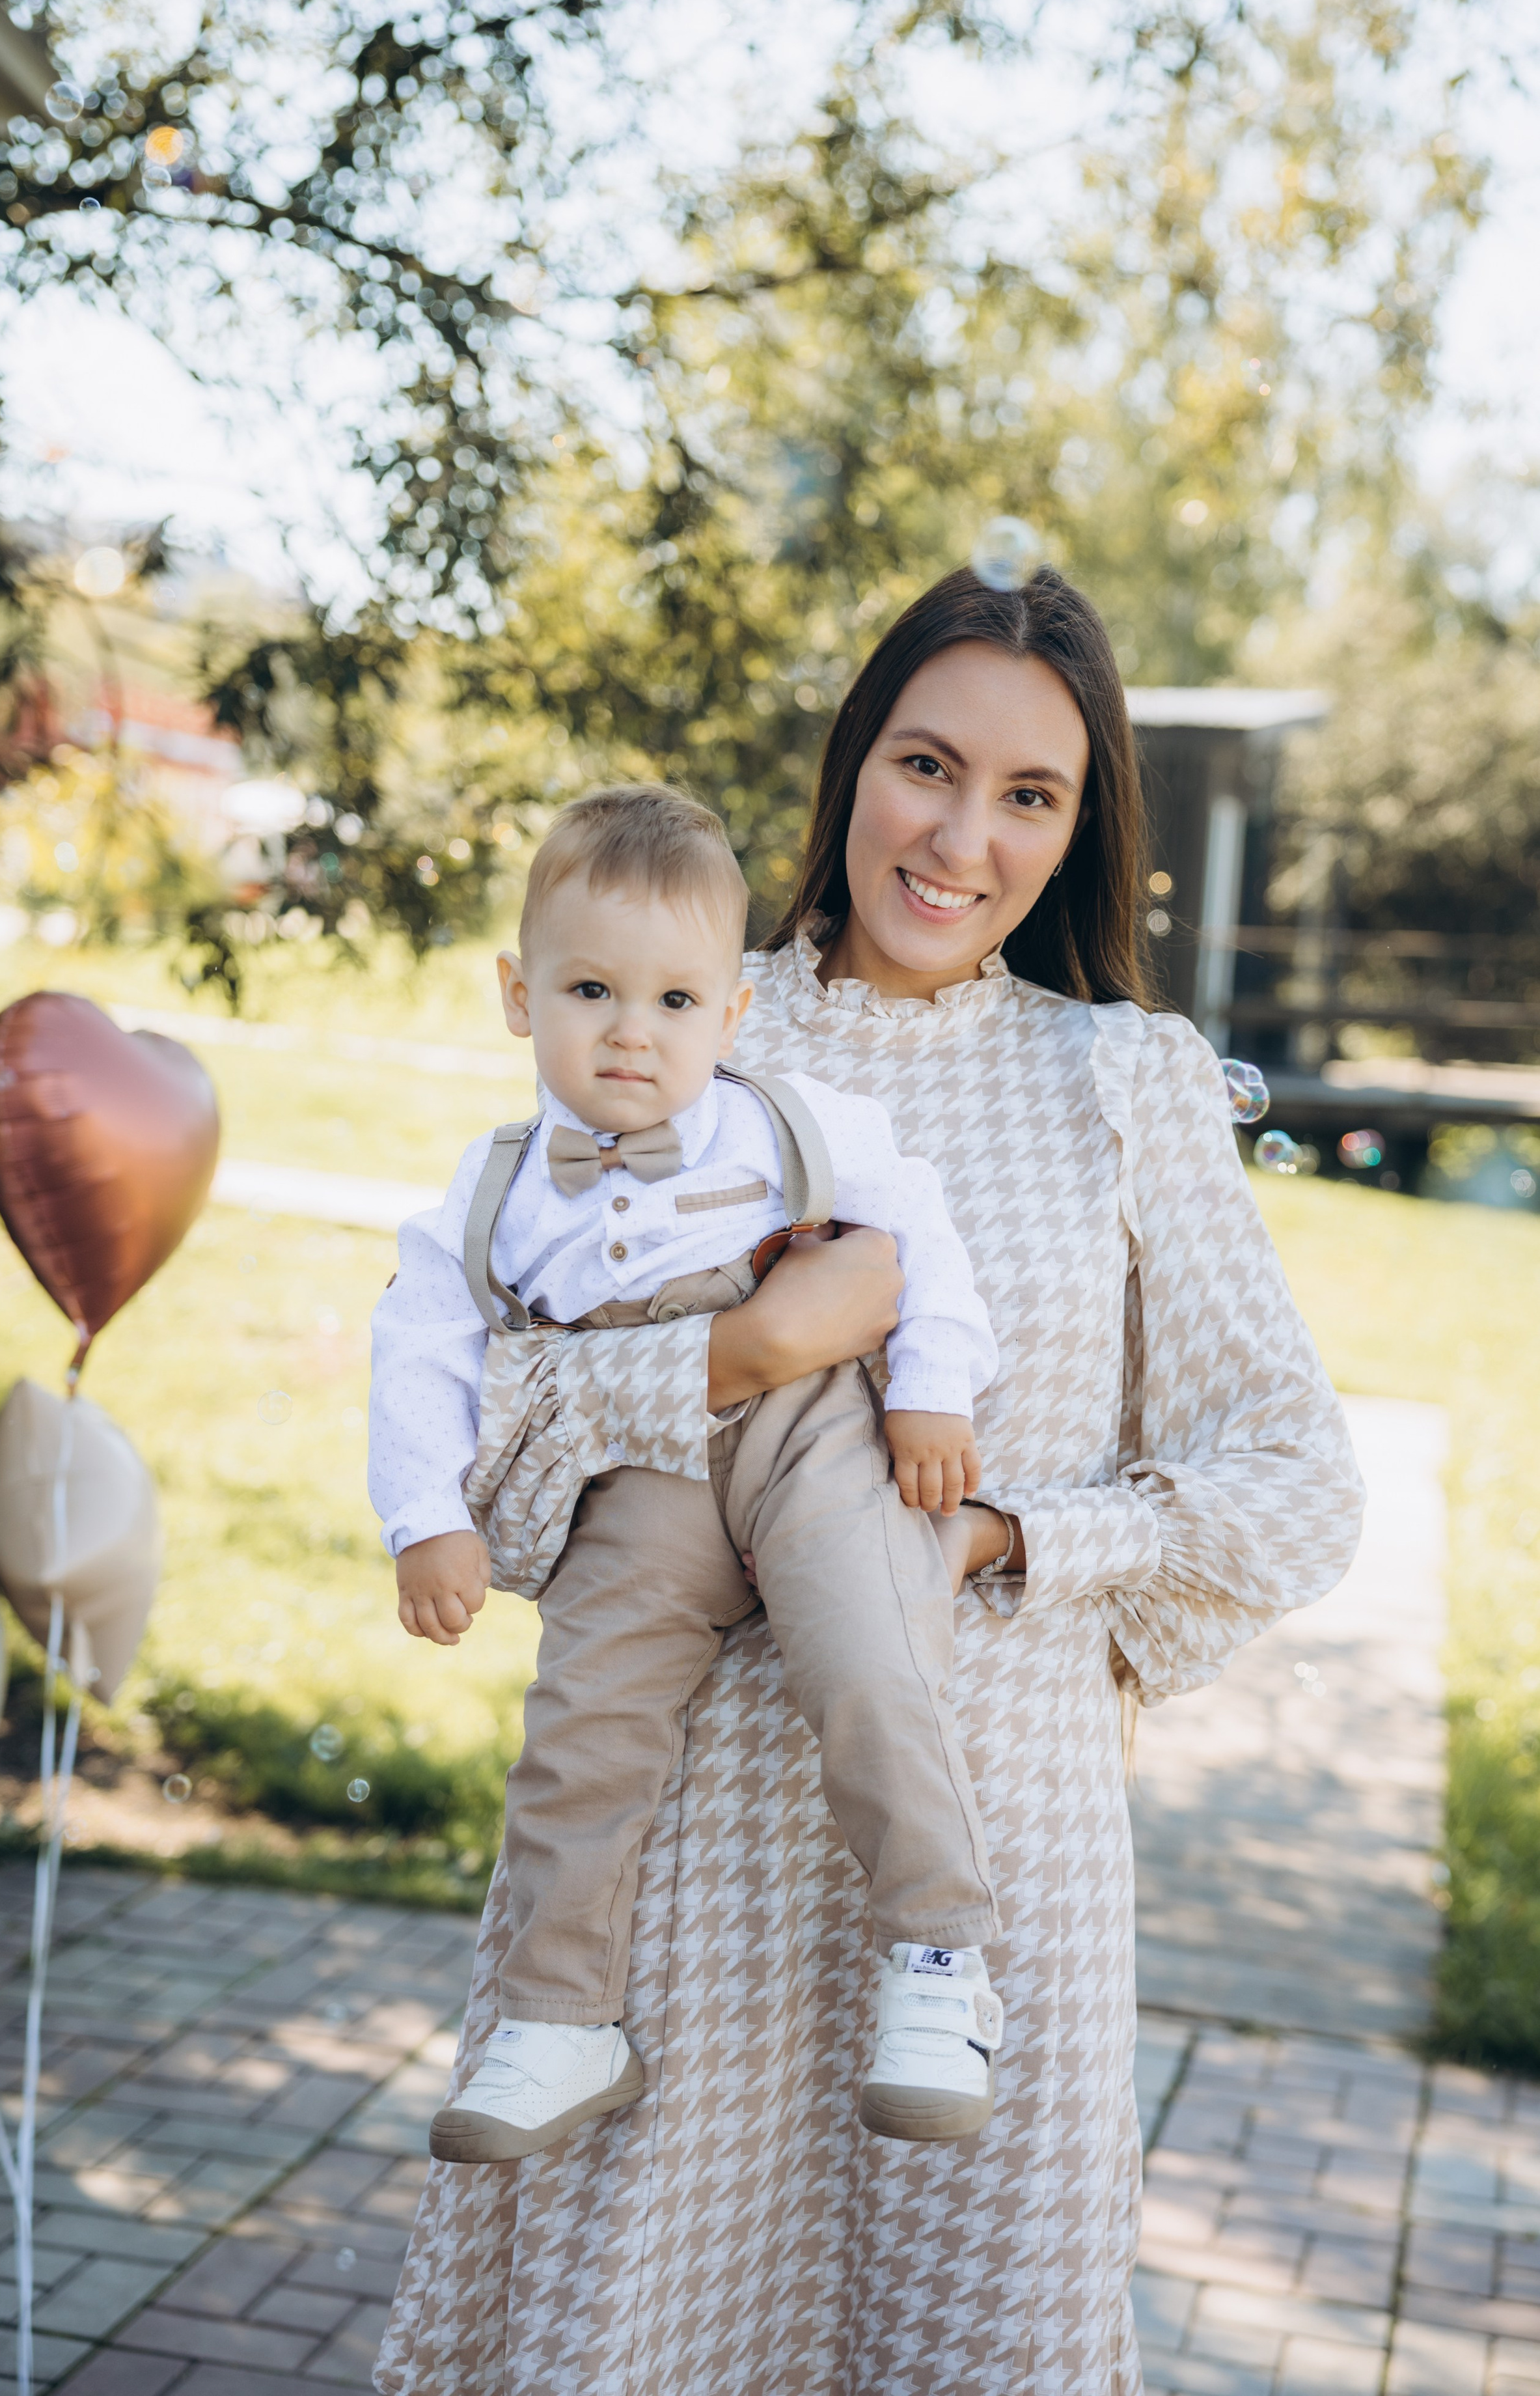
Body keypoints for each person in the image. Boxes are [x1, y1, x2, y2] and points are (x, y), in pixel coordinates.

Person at [374, 565, 1365, 2396]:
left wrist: (1014, 1535)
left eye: (1029, 797)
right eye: (927, 764)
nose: (962, 837)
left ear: (1079, 834)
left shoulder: (1125, 1082)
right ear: (853, 766)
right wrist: (735, 1361)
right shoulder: (674, 1008)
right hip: (688, 1871)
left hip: (996, 1882)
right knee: (645, 2337)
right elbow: (485, 1436)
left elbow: (1300, 1483)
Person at [369, 785, 1006, 2164]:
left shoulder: (787, 1123)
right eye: (589, 988)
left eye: (672, 1001)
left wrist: (928, 1389)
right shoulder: (488, 1196)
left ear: (729, 1017)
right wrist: (425, 1519)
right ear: (515, 995)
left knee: (868, 1650)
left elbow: (919, 1233)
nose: (627, 1031)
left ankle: (939, 1961)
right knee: (581, 1723)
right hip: (640, 1478)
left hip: (803, 1435)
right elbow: (417, 1351)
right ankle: (556, 2017)